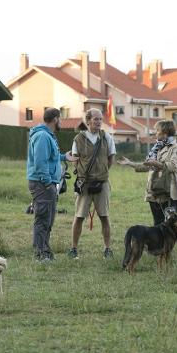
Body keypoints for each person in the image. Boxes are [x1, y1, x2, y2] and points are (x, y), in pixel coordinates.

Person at [27, 107, 76, 262]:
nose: (60, 121)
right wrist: (48, 183)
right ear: (55, 119)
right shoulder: (42, 136)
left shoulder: (47, 135)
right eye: (60, 118)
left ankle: (45, 251)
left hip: (47, 184)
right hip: (43, 184)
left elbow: (50, 157)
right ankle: (40, 254)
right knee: (42, 219)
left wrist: (64, 157)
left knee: (48, 219)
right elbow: (40, 163)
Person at [68, 108, 116, 260]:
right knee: (79, 216)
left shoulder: (106, 137)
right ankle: (74, 248)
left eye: (101, 119)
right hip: (85, 184)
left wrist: (101, 173)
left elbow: (111, 159)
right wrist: (85, 175)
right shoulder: (78, 139)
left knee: (104, 216)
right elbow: (75, 161)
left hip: (102, 183)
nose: (99, 122)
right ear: (88, 120)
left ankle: (107, 249)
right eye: (96, 119)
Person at [118, 120, 177, 225]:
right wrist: (130, 163)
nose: (155, 132)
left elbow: (173, 166)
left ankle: (176, 242)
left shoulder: (176, 148)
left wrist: (156, 163)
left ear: (165, 133)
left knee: (172, 227)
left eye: (157, 130)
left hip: (169, 194)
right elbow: (147, 166)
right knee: (158, 225)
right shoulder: (156, 148)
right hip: (154, 192)